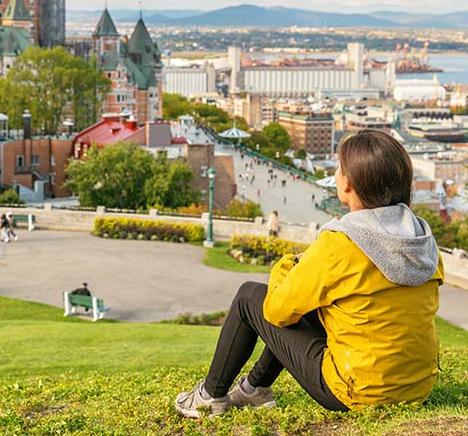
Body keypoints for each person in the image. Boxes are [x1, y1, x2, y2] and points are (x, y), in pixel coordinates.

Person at [175, 130, 443, 418]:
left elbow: (276, 311)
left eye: (340, 168)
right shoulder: (421, 240)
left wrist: (289, 265)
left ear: (349, 184)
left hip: (357, 391)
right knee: (316, 306)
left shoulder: (341, 244)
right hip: (417, 387)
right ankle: (254, 389)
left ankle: (209, 396)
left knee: (249, 296)